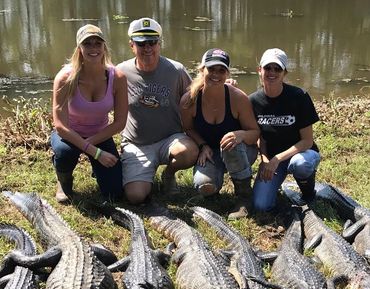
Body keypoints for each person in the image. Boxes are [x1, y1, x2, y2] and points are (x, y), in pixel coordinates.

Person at [116, 17, 198, 205]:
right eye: (141, 43)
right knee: (135, 196)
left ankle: (168, 175)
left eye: (152, 42)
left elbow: (194, 98)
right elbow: (99, 94)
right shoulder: (121, 72)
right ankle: (143, 173)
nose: (147, 48)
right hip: (137, 144)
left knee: (189, 152)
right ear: (131, 45)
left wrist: (224, 87)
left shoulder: (176, 70)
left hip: (170, 140)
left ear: (159, 44)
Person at [51, 24, 128, 203]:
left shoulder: (117, 77)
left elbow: (120, 123)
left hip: (99, 135)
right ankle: (64, 181)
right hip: (69, 135)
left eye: (97, 43)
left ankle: (99, 171)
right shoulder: (65, 78)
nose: (93, 48)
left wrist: (89, 146)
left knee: (114, 194)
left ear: (104, 47)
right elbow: (60, 126)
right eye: (87, 44)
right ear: (79, 49)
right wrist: (96, 153)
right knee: (64, 152)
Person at [180, 48, 260, 219]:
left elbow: (255, 133)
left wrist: (241, 135)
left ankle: (244, 197)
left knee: (230, 142)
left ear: (227, 73)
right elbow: (188, 129)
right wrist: (203, 145)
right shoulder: (189, 100)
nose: (216, 74)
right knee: (204, 187)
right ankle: (215, 184)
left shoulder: (238, 98)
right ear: (202, 70)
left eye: (221, 70)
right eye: (211, 69)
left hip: (240, 151)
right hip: (211, 153)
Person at [249, 48, 321, 212]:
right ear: (259, 70)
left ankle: (308, 193)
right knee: (261, 205)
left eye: (277, 68)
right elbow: (258, 136)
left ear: (285, 72)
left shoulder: (299, 96)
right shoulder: (252, 101)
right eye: (268, 68)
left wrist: (277, 159)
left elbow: (307, 141)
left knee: (300, 164)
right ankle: (276, 188)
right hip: (273, 159)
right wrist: (265, 159)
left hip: (300, 154)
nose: (272, 72)